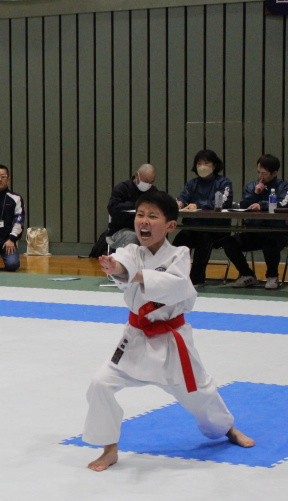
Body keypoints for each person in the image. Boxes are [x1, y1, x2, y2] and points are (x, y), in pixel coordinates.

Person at [83, 189, 254, 472]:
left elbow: (176, 286)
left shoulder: (179, 255)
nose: (144, 221)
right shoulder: (131, 251)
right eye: (140, 215)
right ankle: (109, 448)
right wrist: (116, 268)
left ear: (170, 225)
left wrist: (134, 275)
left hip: (172, 343)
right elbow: (124, 265)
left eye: (153, 216)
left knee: (202, 393)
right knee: (100, 384)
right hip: (136, 339)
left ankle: (227, 429)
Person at [222, 154, 288, 290]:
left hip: (277, 231)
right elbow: (244, 204)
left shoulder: (284, 187)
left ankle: (272, 276)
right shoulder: (251, 186)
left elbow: (283, 204)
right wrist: (256, 193)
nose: (260, 176)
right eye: (258, 172)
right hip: (254, 231)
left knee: (270, 244)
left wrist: (262, 205)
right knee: (229, 242)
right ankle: (247, 274)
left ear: (274, 173)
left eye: (264, 173)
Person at [172, 149, 234, 285]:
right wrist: (180, 202)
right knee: (180, 239)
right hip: (193, 227)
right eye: (199, 163)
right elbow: (184, 196)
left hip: (215, 228)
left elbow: (224, 202)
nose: (202, 166)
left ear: (214, 165)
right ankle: (174, 275)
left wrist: (199, 205)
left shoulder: (224, 183)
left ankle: (196, 279)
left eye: (206, 163)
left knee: (204, 239)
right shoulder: (192, 183)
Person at [107, 164, 157, 250]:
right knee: (133, 237)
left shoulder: (153, 191)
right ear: (137, 175)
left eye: (151, 182)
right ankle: (129, 258)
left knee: (158, 237)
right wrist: (137, 204)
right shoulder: (122, 188)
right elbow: (112, 208)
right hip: (121, 229)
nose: (148, 184)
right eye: (146, 181)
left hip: (145, 228)